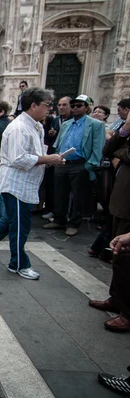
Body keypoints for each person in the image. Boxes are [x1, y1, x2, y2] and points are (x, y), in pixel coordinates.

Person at [0, 88, 65, 279]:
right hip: (16, 185)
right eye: (47, 105)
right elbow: (19, 158)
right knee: (20, 226)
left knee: (10, 221)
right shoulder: (19, 127)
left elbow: (36, 152)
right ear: (33, 105)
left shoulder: (36, 126)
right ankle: (18, 264)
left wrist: (50, 158)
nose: (50, 109)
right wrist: (47, 159)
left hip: (26, 184)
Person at [88, 116, 130, 332]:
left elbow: (119, 153)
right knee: (118, 256)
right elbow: (108, 150)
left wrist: (119, 152)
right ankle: (117, 298)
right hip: (120, 203)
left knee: (126, 257)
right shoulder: (126, 131)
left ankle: (128, 312)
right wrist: (125, 129)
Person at [43, 94, 105, 237]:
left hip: (80, 163)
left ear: (87, 107)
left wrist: (90, 165)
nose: (75, 108)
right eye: (74, 105)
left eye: (80, 105)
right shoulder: (66, 124)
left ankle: (73, 223)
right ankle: (59, 219)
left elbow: (98, 147)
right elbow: (59, 142)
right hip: (63, 162)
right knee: (59, 193)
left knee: (78, 196)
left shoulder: (95, 124)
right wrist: (57, 157)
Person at [41, 96, 72, 220]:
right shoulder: (55, 120)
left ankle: (63, 214)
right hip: (53, 156)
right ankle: (51, 209)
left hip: (67, 158)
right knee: (51, 184)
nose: (61, 107)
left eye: (64, 105)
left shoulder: (73, 121)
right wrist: (51, 134)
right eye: (59, 105)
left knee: (64, 188)